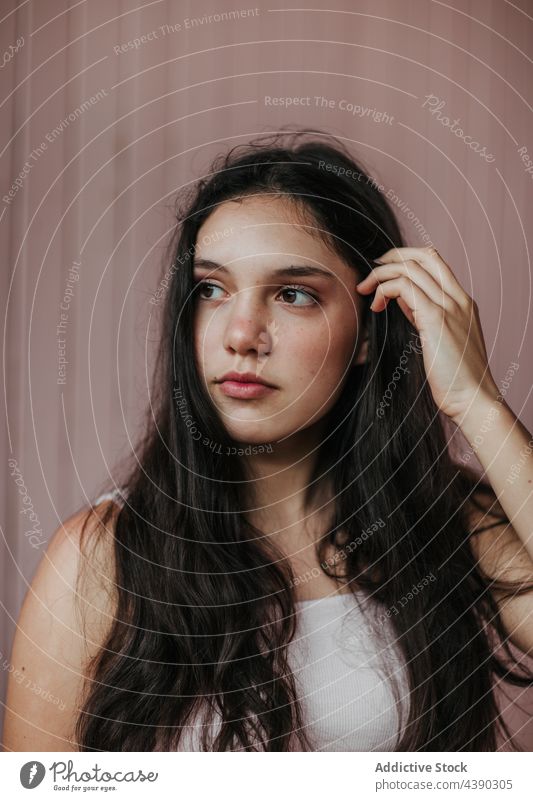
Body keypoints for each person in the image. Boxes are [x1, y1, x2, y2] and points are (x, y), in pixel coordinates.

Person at [4, 129, 533, 753]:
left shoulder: (457, 526)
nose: (241, 334)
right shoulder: (100, 559)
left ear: (368, 334)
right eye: (212, 289)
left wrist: (478, 402)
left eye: (292, 294)